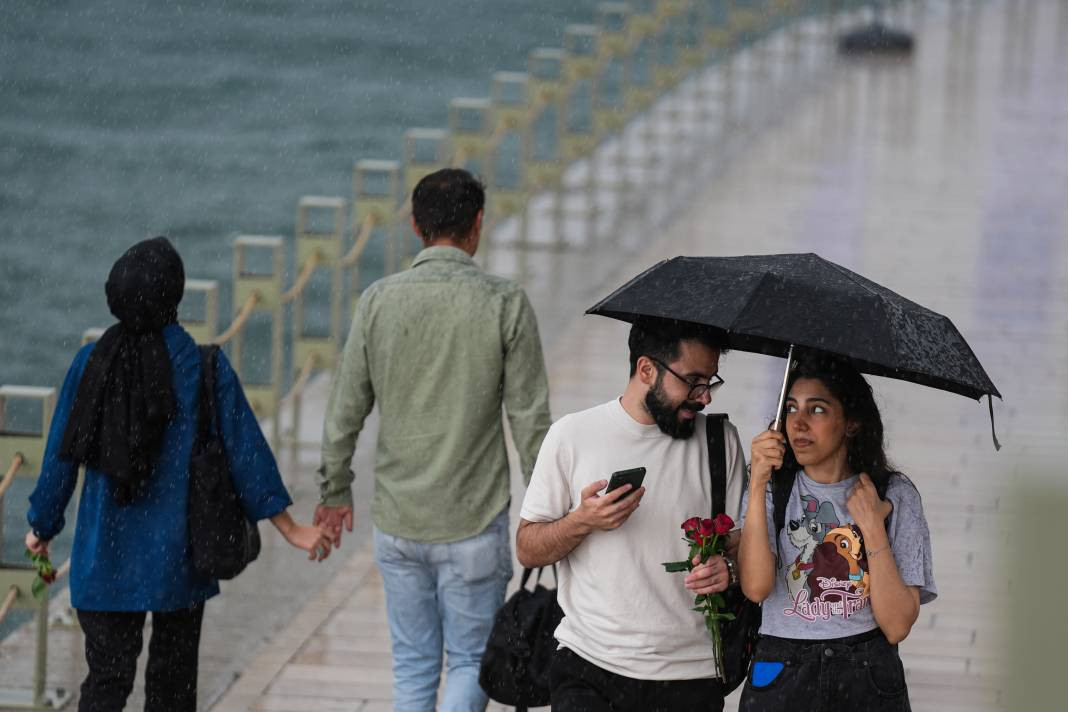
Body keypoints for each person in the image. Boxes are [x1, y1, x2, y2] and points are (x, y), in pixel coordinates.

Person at [24, 237, 332, 712]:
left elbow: (61, 458)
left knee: (106, 682)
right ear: (176, 296)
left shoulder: (91, 363)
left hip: (105, 557)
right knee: (173, 688)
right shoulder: (203, 365)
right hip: (179, 557)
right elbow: (245, 451)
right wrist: (291, 529)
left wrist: (43, 527)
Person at [315, 168, 552, 711]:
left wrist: (333, 493)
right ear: (478, 225)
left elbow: (342, 414)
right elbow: (531, 422)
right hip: (472, 520)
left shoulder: (378, 301)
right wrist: (550, 517)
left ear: (415, 225)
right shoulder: (504, 303)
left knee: (413, 667)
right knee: (470, 663)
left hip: (399, 523)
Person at [516, 320, 747, 712]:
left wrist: (728, 566)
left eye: (710, 382)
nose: (704, 397)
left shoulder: (720, 442)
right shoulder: (572, 435)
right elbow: (527, 549)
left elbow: (743, 546)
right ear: (646, 370)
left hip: (689, 676)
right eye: (693, 381)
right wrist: (581, 521)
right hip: (588, 666)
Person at [738, 352, 937, 711]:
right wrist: (755, 486)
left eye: (816, 410)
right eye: (791, 408)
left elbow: (896, 625)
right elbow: (756, 587)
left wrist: (873, 527)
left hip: (866, 672)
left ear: (852, 423)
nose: (797, 424)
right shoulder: (771, 489)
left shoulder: (894, 494)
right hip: (781, 672)